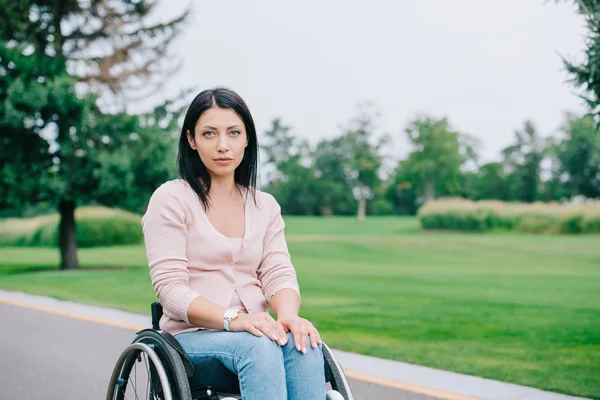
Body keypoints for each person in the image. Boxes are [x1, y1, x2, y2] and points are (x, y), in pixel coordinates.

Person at [141, 87, 326, 399]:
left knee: (302, 341)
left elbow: (278, 273)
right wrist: (234, 320)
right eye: (209, 133)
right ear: (192, 140)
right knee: (259, 346)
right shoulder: (172, 198)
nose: (223, 145)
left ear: (247, 139)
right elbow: (171, 290)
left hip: (256, 332)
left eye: (233, 133)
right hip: (191, 340)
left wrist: (288, 316)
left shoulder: (264, 206)